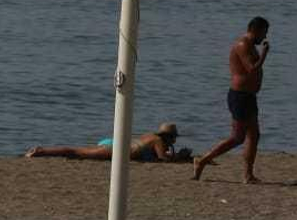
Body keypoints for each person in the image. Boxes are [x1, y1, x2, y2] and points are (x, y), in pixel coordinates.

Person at [194, 17, 271, 183]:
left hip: (249, 96)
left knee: (254, 135)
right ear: (256, 30)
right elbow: (251, 69)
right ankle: (202, 160)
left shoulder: (251, 46)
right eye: (264, 32)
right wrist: (264, 54)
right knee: (237, 137)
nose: (264, 37)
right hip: (240, 96)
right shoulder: (243, 45)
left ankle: (248, 175)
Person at [24, 122, 188, 162]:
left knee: (80, 153)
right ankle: (41, 151)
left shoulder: (151, 136)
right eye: (174, 137)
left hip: (116, 144)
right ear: (169, 137)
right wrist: (181, 158)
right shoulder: (159, 140)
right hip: (118, 150)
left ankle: (43, 151)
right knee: (77, 152)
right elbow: (162, 159)